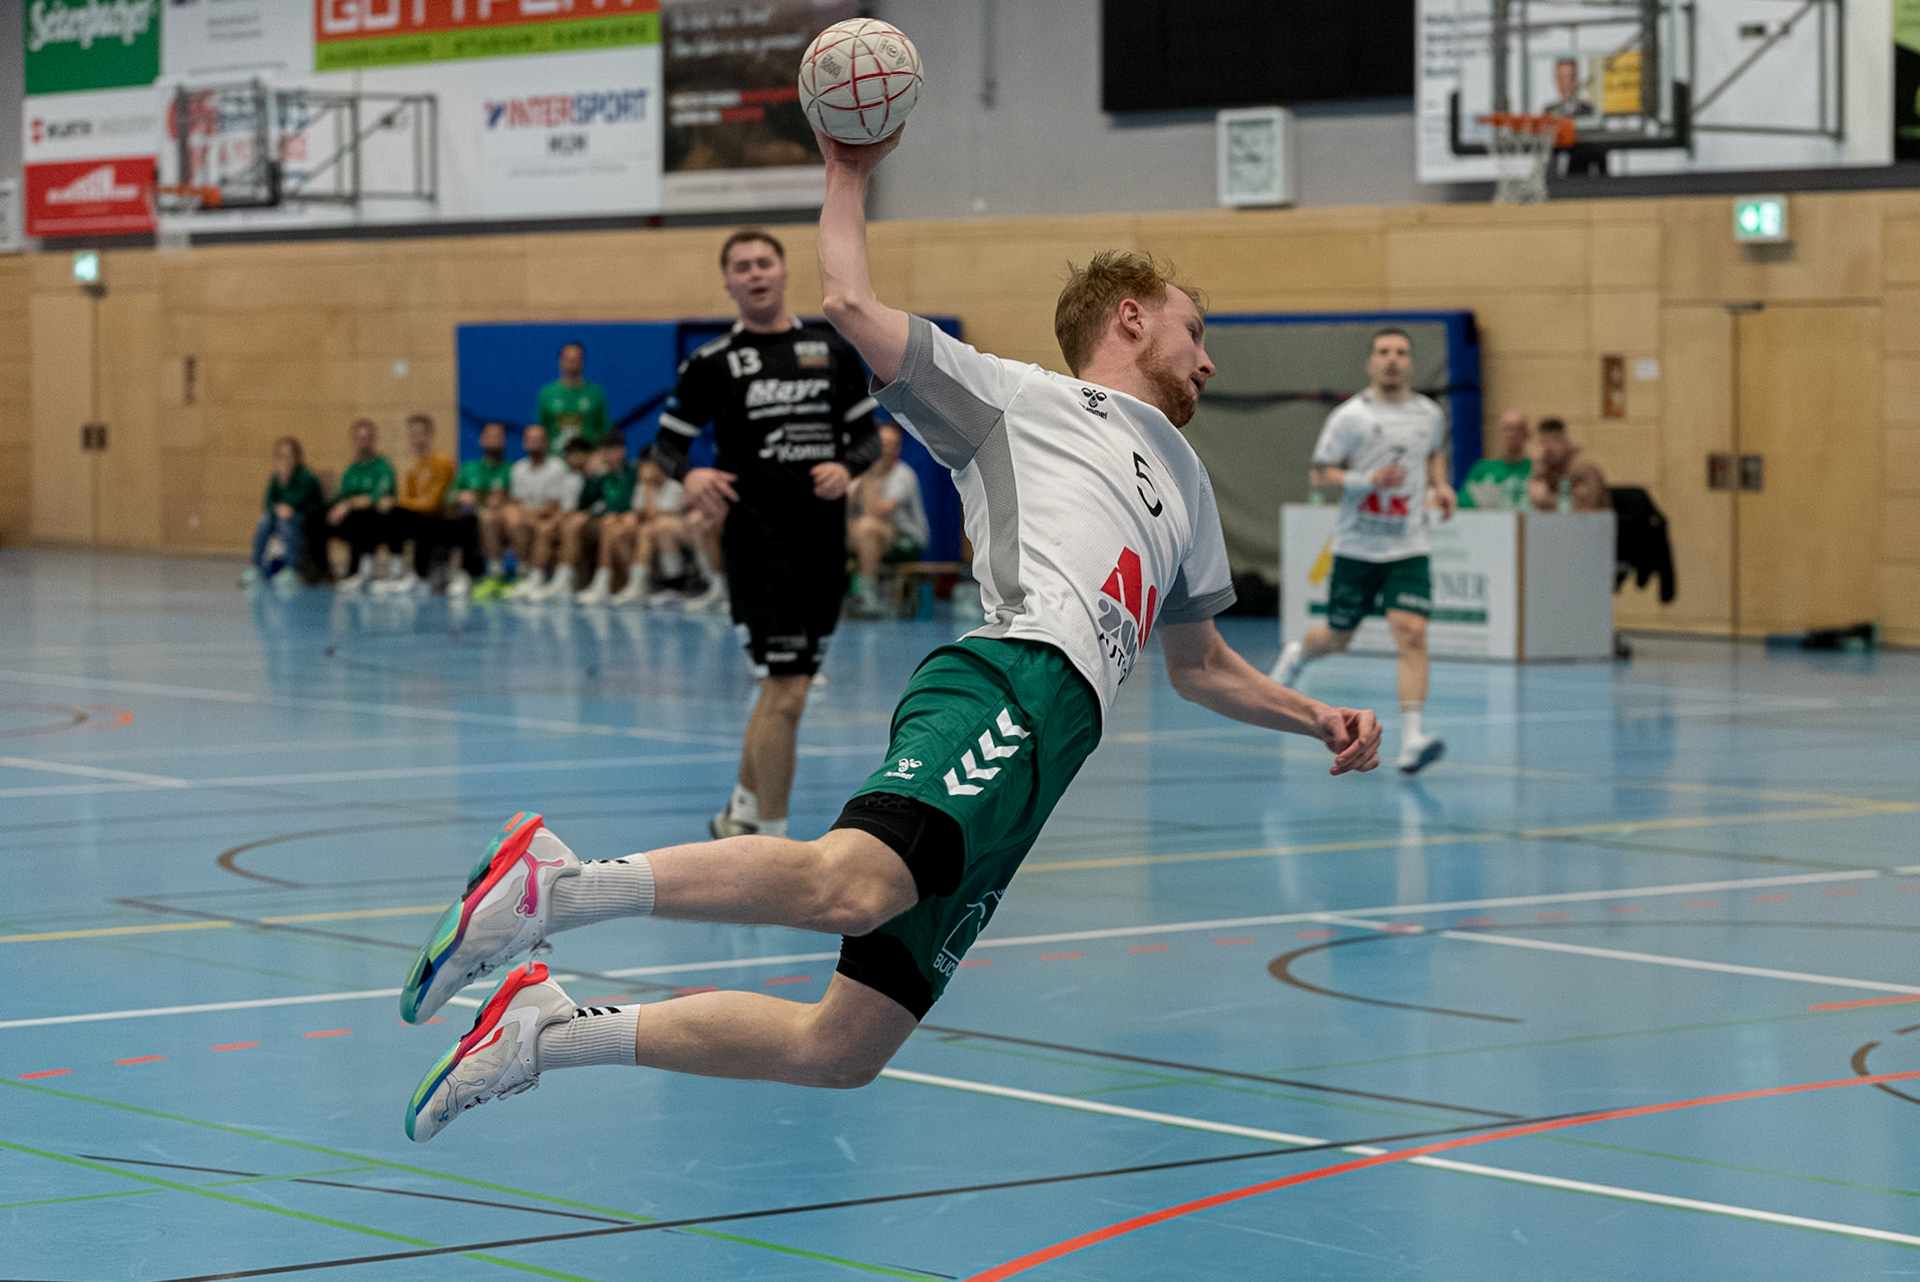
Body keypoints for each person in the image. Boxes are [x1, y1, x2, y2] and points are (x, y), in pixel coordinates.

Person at [397, 128, 1382, 1143]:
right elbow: (852, 305)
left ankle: (545, 1033)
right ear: (1130, 316)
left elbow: (1203, 665)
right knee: (851, 883)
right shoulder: (1018, 400)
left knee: (841, 1048)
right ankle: (553, 888)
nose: (1208, 359)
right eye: (1194, 331)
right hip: (1012, 680)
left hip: (1052, 756)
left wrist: (1314, 715)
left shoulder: (1189, 481)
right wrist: (846, 172)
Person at [649, 227, 883, 841]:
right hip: (757, 542)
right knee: (787, 692)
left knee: (785, 691)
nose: (755, 274)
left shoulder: (829, 350)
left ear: (782, 272)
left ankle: (739, 815)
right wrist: (692, 474)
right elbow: (666, 447)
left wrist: (847, 467)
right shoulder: (712, 363)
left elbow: (867, 438)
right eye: (742, 266)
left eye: (763, 263)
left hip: (823, 545)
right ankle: (771, 843)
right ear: (728, 282)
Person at [1269, 328, 1453, 775]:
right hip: (1357, 545)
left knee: (1411, 632)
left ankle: (1413, 738)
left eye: (1401, 352)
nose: (1392, 359)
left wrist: (1441, 485)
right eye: (1384, 352)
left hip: (1408, 545)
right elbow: (1320, 475)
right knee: (1338, 637)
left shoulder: (1429, 415)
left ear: (1411, 362)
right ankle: (1298, 655)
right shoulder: (1350, 417)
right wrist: (1367, 481)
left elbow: (1432, 454)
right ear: (1371, 362)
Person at [846, 421, 931, 618]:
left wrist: (869, 478)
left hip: (906, 538)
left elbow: (878, 512)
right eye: (884, 444)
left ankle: (866, 595)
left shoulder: (904, 476)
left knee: (868, 528)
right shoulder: (858, 471)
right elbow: (846, 507)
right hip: (865, 534)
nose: (889, 449)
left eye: (895, 444)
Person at [377, 413, 457, 596]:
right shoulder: (415, 465)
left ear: (430, 434)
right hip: (419, 514)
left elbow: (431, 502)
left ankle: (420, 575)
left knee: (418, 518)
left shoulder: (442, 462)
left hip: (441, 518)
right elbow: (408, 497)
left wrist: (400, 503)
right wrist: (397, 503)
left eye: (420, 433)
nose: (416, 438)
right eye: (412, 434)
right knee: (392, 514)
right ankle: (396, 570)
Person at [503, 424, 581, 600]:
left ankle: (537, 577)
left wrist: (527, 514)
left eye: (538, 439)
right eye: (530, 439)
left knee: (543, 528)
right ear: (524, 443)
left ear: (546, 443)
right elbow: (518, 503)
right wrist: (524, 515)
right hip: (530, 517)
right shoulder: (518, 468)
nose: (534, 443)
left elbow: (554, 507)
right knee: (512, 518)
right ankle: (523, 572)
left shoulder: (557, 467)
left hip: (553, 518)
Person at [325, 418, 398, 593]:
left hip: (380, 520)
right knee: (318, 517)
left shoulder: (383, 467)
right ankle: (321, 571)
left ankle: (359, 571)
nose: (363, 443)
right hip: (352, 517)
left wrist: (349, 504)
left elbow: (377, 497)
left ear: (374, 440)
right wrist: (337, 508)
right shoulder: (351, 469)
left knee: (363, 515)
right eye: (359, 439)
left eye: (367, 438)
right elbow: (341, 496)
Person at [245, 436, 325, 590]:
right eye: (281, 456)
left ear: (297, 457)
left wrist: (284, 506)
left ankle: (292, 569)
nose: (285, 460)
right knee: (265, 520)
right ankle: (256, 566)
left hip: (307, 518)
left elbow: (298, 501)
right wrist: (277, 509)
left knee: (285, 523)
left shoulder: (305, 476)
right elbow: (268, 502)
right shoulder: (276, 477)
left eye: (289, 456)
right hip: (283, 516)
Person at [567, 434, 638, 604]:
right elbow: (584, 504)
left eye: (616, 449)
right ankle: (567, 580)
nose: (612, 454)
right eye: (607, 450)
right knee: (579, 524)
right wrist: (591, 476)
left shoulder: (633, 472)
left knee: (610, 525)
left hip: (628, 519)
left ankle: (605, 581)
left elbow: (632, 502)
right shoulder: (601, 476)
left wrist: (620, 514)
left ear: (623, 451)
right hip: (608, 521)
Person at [455, 420, 515, 600]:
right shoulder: (468, 469)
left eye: (498, 437)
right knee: (467, 521)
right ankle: (468, 574)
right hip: (471, 520)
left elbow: (519, 500)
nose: (493, 441)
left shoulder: (511, 470)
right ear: (481, 440)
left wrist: (504, 499)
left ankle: (497, 574)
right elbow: (449, 495)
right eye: (489, 436)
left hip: (501, 521)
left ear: (504, 442)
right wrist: (460, 496)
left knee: (491, 518)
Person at [538, 341, 611, 450]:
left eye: (576, 359)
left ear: (582, 361)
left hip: (589, 454)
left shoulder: (595, 392)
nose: (572, 363)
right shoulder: (547, 393)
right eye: (568, 359)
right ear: (560, 361)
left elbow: (603, 428)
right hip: (555, 455)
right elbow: (541, 429)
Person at [1529, 418, 1612, 513]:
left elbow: (1582, 507)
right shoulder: (1550, 466)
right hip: (1562, 521)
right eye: (1542, 444)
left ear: (1563, 441)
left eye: (1551, 445)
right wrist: (1538, 468)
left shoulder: (1584, 466)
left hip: (1592, 521)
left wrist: (1546, 499)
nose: (1545, 452)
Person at [1457, 409, 1532, 511]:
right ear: (1499, 433)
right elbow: (1462, 505)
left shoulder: (1536, 470)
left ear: (1527, 434)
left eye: (1517, 428)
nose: (1512, 434)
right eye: (1507, 428)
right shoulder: (1482, 470)